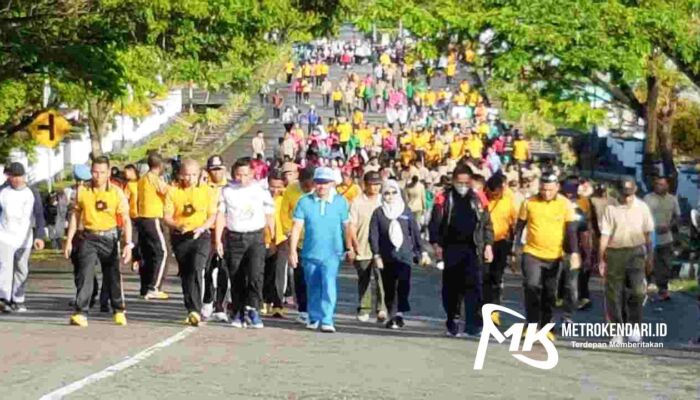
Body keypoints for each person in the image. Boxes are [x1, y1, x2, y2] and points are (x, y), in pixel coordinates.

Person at [64, 156, 133, 327]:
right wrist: (69, 240)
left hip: (109, 236)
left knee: (113, 275)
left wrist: (128, 244)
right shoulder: (83, 190)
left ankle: (118, 309)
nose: (98, 176)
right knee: (84, 273)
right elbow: (75, 215)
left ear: (108, 173)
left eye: (102, 172)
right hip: (88, 236)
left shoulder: (116, 192)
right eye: (95, 172)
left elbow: (125, 219)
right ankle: (81, 312)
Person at [510, 172, 580, 341]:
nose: (546, 193)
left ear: (557, 188)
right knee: (531, 286)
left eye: (550, 190)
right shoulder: (529, 202)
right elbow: (519, 228)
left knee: (550, 292)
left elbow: (571, 231)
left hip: (555, 255)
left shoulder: (565, 204)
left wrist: (574, 253)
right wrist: (514, 250)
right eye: (543, 190)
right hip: (532, 252)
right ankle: (532, 325)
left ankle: (546, 325)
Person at [429, 164, 495, 337]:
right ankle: (453, 319)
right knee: (452, 288)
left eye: (466, 182)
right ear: (453, 181)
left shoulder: (479, 198)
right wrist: (436, 245)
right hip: (451, 249)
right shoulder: (443, 198)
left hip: (473, 249)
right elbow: (435, 224)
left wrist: (488, 244)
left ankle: (473, 325)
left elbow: (487, 223)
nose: (463, 185)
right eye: (460, 182)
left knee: (474, 287)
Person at [288, 167, 351, 333]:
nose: (322, 186)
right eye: (319, 182)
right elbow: (296, 227)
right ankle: (314, 316)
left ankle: (327, 318)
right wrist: (292, 250)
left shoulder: (340, 202)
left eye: (325, 183)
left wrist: (349, 247)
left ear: (332, 184)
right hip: (310, 251)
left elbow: (346, 226)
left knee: (329, 284)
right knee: (313, 285)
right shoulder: (304, 201)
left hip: (332, 252)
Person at [215, 158, 275, 328]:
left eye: (246, 175)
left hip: (256, 236)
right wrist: (218, 239)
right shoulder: (227, 191)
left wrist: (272, 235)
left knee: (256, 275)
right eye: (238, 175)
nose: (242, 178)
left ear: (253, 174)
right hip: (235, 237)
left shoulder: (260, 190)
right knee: (236, 275)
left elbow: (269, 213)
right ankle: (238, 311)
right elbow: (221, 215)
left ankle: (253, 308)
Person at [599, 176, 655, 344]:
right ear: (618, 192)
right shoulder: (611, 209)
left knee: (638, 291)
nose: (627, 198)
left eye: (630, 194)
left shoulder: (643, 208)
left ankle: (635, 326)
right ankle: (617, 331)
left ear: (635, 191)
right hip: (615, 253)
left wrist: (650, 256)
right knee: (614, 293)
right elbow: (605, 235)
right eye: (624, 194)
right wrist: (601, 258)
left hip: (636, 252)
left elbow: (648, 235)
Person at [163, 159, 218, 326]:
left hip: (201, 235)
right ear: (180, 174)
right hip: (180, 236)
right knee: (186, 273)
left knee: (196, 267)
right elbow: (166, 217)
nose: (190, 178)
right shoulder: (172, 191)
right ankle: (191, 309)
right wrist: (177, 225)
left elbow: (212, 215)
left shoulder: (208, 191)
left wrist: (202, 228)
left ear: (200, 174)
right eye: (187, 174)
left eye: (194, 174)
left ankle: (197, 308)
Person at [370, 180, 429, 329]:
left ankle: (400, 313)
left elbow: (414, 233)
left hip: (405, 255)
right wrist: (376, 255)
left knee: (403, 285)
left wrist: (422, 251)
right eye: (387, 193)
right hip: (386, 256)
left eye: (393, 192)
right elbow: (373, 236)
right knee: (389, 287)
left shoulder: (405, 211)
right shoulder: (378, 213)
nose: (390, 196)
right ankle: (392, 314)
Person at [0, 162, 46, 313]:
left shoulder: (32, 192)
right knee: (4, 268)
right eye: (14, 177)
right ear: (9, 177)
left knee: (21, 269)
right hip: (4, 235)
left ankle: (18, 299)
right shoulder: (2, 191)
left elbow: (39, 216)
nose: (17, 180)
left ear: (24, 177)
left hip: (25, 237)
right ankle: (4, 299)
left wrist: (40, 236)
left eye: (20, 176)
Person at [347, 171, 386, 323]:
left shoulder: (383, 200)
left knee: (381, 278)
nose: (375, 187)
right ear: (365, 184)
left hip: (381, 248)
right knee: (364, 278)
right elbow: (351, 225)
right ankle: (364, 308)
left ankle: (382, 308)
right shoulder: (357, 202)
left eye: (377, 184)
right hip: (362, 245)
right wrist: (352, 245)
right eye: (372, 184)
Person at [280, 165, 316, 324]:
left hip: (317, 241)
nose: (308, 188)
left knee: (317, 277)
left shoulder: (322, 190)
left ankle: (317, 309)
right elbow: (284, 213)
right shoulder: (291, 190)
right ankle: (303, 310)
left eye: (311, 185)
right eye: (304, 185)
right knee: (300, 276)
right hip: (298, 240)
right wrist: (288, 233)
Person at [483, 173, 517, 326]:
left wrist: (513, 250)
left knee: (496, 278)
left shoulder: (508, 202)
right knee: (483, 277)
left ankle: (494, 312)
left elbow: (514, 225)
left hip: (501, 243)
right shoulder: (482, 200)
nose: (496, 196)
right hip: (483, 244)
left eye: (498, 193)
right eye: (493, 193)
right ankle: (481, 307)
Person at [137, 152, 170, 300]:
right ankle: (154, 287)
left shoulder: (143, 179)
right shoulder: (153, 178)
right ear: (160, 165)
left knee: (149, 254)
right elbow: (167, 191)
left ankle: (145, 286)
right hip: (153, 217)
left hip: (142, 218)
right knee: (162, 252)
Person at [643, 176, 681, 301]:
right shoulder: (648, 198)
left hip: (666, 237)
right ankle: (647, 286)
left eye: (662, 184)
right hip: (650, 238)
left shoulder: (672, 199)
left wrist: (669, 226)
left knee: (665, 264)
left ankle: (663, 289)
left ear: (667, 186)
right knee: (649, 262)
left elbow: (677, 217)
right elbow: (641, 217)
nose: (659, 186)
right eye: (657, 184)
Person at [581, 183, 617, 310]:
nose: (602, 192)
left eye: (603, 190)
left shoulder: (612, 201)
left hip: (607, 229)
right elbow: (591, 217)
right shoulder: (593, 200)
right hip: (597, 229)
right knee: (596, 250)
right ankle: (597, 265)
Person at [262, 170, 288, 318]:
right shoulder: (262, 198)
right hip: (264, 239)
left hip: (281, 239)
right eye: (273, 186)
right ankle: (265, 301)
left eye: (279, 187)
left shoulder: (285, 199)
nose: (276, 190)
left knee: (279, 272)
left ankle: (278, 304)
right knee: (265, 271)